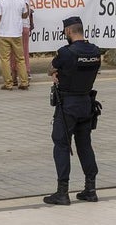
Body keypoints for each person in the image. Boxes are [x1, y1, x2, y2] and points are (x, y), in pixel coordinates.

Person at [44, 16, 102, 206]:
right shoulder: (95, 51)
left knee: (61, 143)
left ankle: (62, 192)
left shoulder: (66, 52)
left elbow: (52, 68)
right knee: (84, 145)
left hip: (68, 105)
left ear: (68, 31)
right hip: (86, 103)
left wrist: (54, 73)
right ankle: (90, 189)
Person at [0, 0, 30, 90]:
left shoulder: (1, 1)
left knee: (5, 59)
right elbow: (25, 15)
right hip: (16, 33)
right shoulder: (21, 1)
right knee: (20, 58)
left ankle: (8, 83)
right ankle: (24, 82)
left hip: (4, 33)